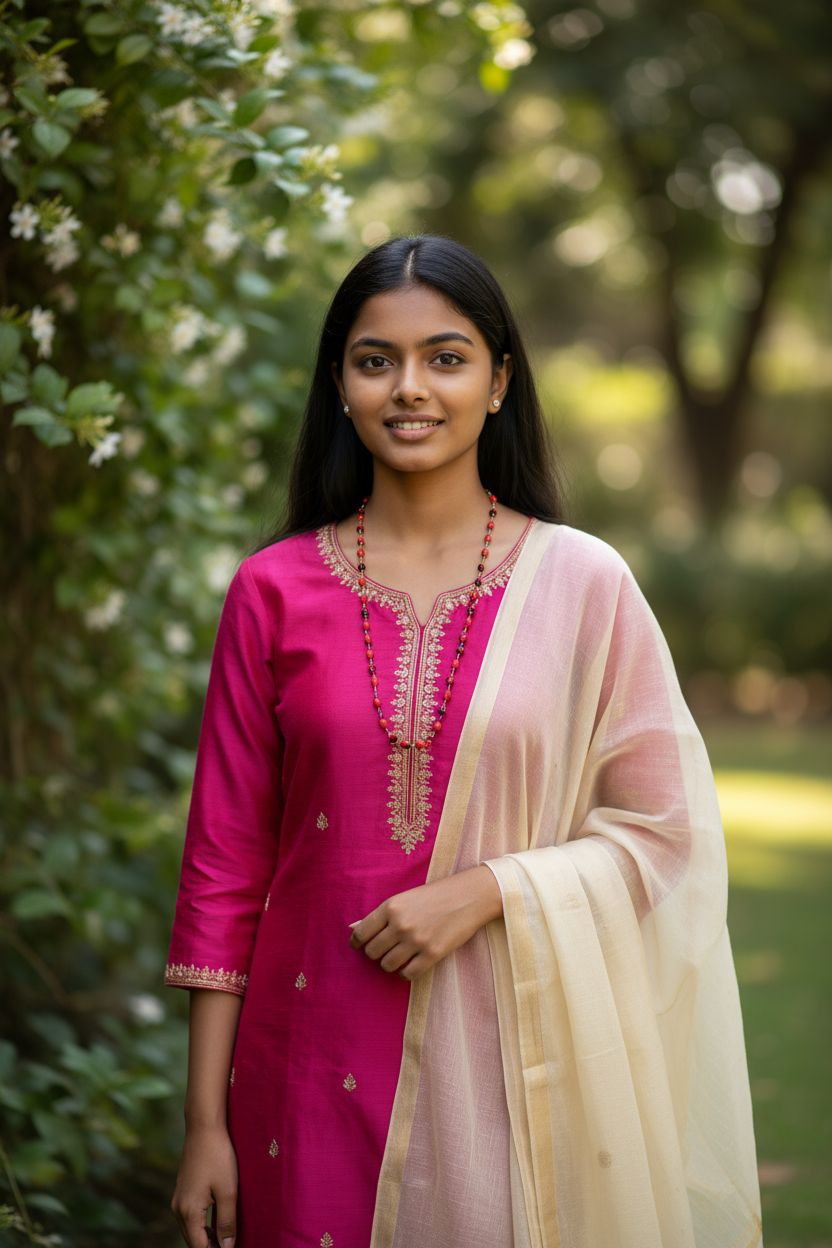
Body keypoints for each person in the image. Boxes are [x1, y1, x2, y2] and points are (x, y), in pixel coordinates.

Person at [165, 234, 763, 1247]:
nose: (409, 388)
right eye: (373, 360)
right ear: (340, 385)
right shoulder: (271, 590)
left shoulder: (583, 585)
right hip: (302, 1066)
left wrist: (489, 891)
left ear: (497, 383)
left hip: (514, 1056)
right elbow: (224, 872)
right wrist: (203, 1125)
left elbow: (667, 832)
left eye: (444, 357)